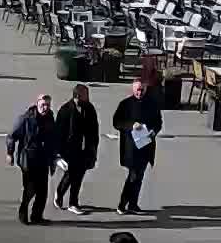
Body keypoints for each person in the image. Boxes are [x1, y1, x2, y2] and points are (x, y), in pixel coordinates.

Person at [6, 93, 59, 225]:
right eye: (43, 104)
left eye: (47, 105)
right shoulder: (26, 119)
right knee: (30, 189)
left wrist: (53, 161)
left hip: (43, 159)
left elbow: (53, 141)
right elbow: (12, 136)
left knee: (43, 192)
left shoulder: (50, 119)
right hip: (28, 160)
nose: (45, 107)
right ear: (37, 104)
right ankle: (23, 212)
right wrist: (10, 153)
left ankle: (37, 216)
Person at [111, 79, 163, 215]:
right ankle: (122, 204)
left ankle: (133, 204)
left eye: (142, 90)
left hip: (146, 146)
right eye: (137, 90)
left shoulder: (152, 104)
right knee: (132, 176)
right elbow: (116, 122)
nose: (139, 92)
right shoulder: (125, 104)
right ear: (132, 90)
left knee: (139, 177)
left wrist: (153, 131)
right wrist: (131, 125)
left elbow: (158, 122)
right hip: (131, 148)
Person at [54, 83, 100, 214]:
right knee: (70, 174)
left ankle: (73, 203)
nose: (88, 97)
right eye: (86, 95)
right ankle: (60, 192)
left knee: (79, 176)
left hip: (85, 149)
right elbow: (59, 132)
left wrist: (93, 148)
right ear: (77, 96)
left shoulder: (89, 109)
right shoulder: (66, 110)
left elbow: (94, 130)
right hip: (69, 150)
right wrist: (58, 153)